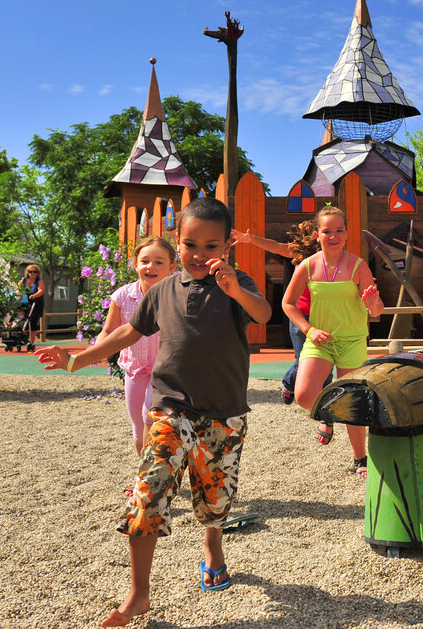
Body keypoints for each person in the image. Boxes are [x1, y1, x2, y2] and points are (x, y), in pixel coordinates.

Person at [36, 197, 272, 627]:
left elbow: (263, 313)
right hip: (170, 406)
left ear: (227, 247)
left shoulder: (239, 283)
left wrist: (235, 289)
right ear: (177, 242)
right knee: (148, 491)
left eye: (211, 245)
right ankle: (139, 593)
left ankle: (213, 543)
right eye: (190, 244)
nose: (199, 255)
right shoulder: (162, 290)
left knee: (215, 500)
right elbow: (127, 331)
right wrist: (76, 358)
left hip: (224, 413)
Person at [281, 204, 383, 475]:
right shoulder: (307, 266)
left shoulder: (358, 266)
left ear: (347, 233)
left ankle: (360, 458)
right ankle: (328, 414)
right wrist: (309, 330)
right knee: (303, 396)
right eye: (327, 231)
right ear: (317, 235)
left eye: (339, 230)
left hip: (352, 340)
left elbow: (377, 310)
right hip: (320, 340)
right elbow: (288, 303)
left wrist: (372, 302)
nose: (333, 235)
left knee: (353, 402)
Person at [96, 237, 177, 458]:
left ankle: (153, 480)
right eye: (145, 261)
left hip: (164, 371)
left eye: (159, 262)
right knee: (138, 428)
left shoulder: (177, 294)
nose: (151, 266)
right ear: (136, 265)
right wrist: (95, 350)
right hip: (134, 368)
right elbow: (109, 329)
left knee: (149, 417)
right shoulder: (123, 296)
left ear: (172, 267)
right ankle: (144, 477)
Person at [232, 221, 326, 405]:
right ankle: (289, 382)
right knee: (303, 359)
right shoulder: (302, 253)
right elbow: (276, 246)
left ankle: (323, 399)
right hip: (299, 314)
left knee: (323, 358)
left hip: (323, 314)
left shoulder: (333, 258)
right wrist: (251, 239)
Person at [22, 264, 46, 345]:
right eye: (30, 271)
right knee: (22, 320)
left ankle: (31, 342)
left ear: (37, 273)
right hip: (24, 303)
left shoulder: (39, 281)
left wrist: (34, 295)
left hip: (35, 303)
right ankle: (23, 337)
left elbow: (41, 290)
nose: (32, 273)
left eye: (34, 272)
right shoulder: (23, 280)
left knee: (32, 322)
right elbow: (18, 289)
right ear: (27, 272)